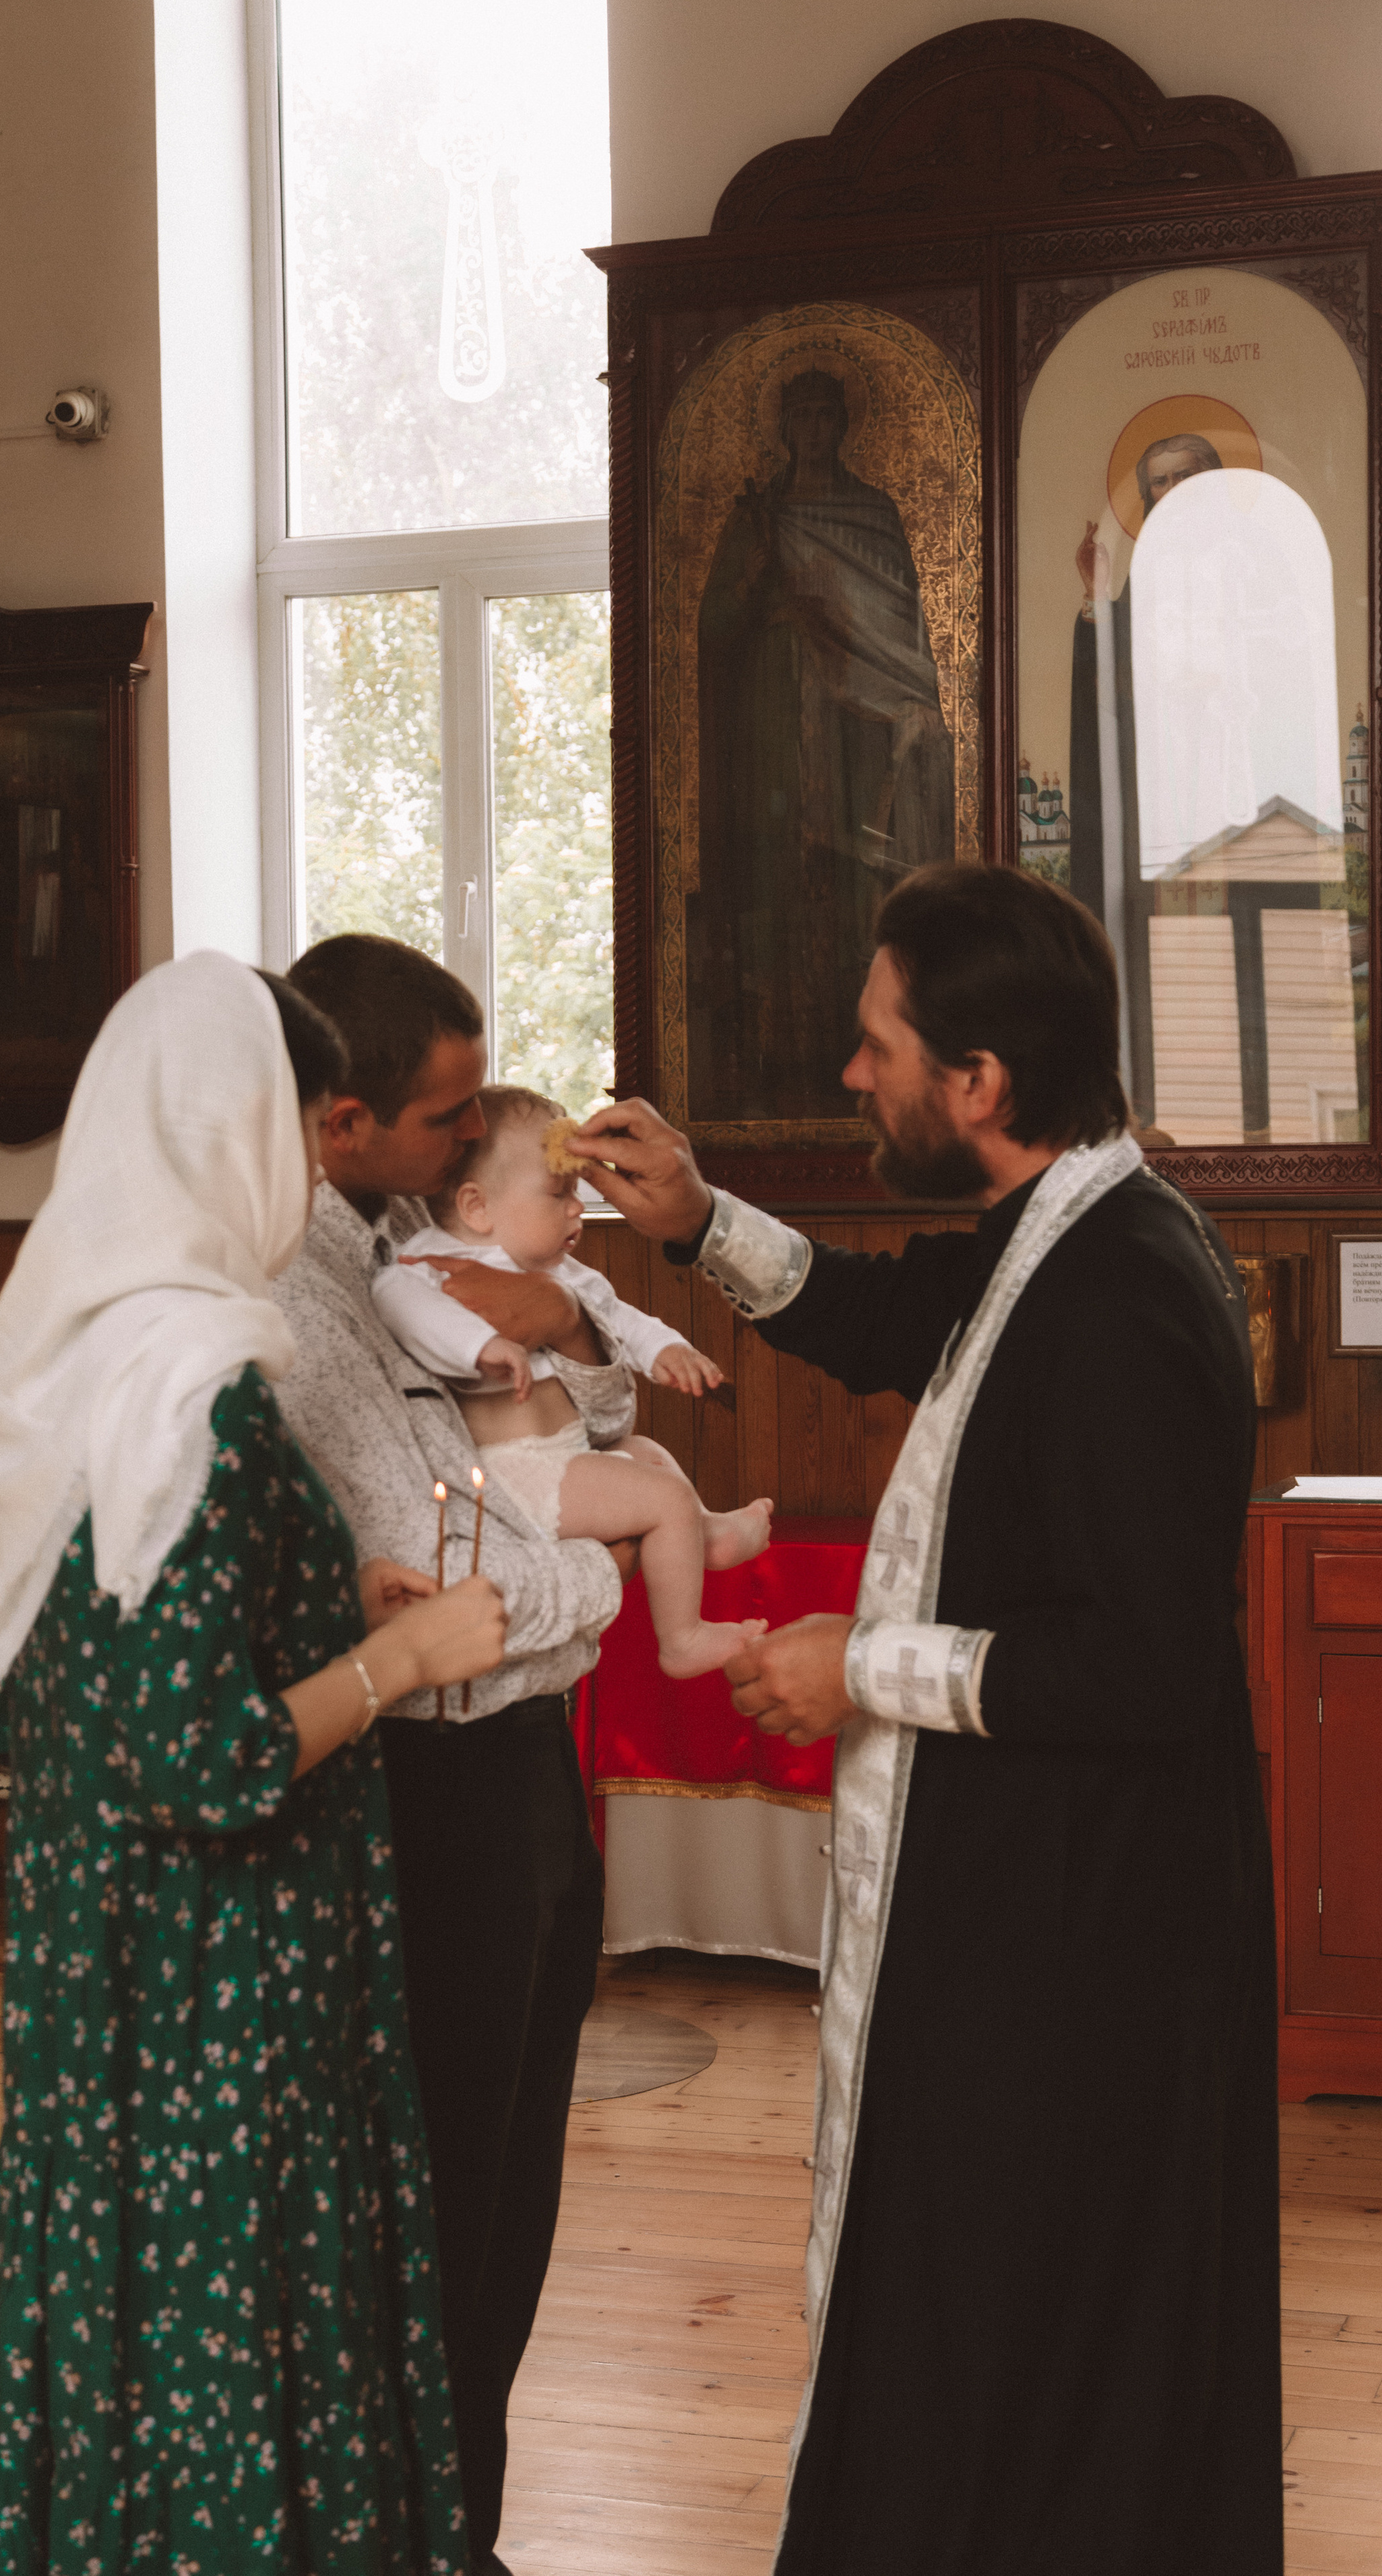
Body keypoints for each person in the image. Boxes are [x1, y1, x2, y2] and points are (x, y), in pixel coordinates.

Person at [572, 863, 1281, 2575]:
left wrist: (860, 1664)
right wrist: (693, 1219)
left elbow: (1140, 1667)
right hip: (1038, 1910)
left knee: (1023, 2339)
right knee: (979, 2318)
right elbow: (898, 1317)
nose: (850, 1073)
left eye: (878, 1045)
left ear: (977, 1083)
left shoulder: (1118, 1297)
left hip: (1081, 1940)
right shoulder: (1061, 1232)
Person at [0, 950, 505, 2575]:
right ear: (239, 1131)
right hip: (219, 1987)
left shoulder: (82, 1350)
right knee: (228, 2331)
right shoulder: (194, 1384)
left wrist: (317, 1593)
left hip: (102, 1970)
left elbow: (110, 1642)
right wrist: (394, 1658)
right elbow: (194, 1757)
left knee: (130, 2322)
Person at [270, 937, 630, 2576]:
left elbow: (592, 1432)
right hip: (426, 1789)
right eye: (443, 1116)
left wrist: (559, 1335)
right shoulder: (293, 1298)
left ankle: (459, 2515)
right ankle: (418, 2525)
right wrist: (603, 1575)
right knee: (441, 2187)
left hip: (527, 1766)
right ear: (339, 1118)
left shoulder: (415, 1244)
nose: (472, 1137)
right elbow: (441, 1567)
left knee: (515, 2171)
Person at [372, 1084, 774, 1679]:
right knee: (662, 1500)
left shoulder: (559, 1273)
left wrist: (668, 1350)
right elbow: (400, 1303)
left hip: (566, 1456)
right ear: (477, 1206)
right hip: (517, 1472)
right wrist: (478, 1347)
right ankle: (682, 1639)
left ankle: (706, 1532)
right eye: (558, 1195)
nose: (576, 1210)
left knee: (647, 1454)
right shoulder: (426, 1260)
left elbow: (620, 1318)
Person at [694, 363, 955, 1121]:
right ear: (783, 427)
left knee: (853, 882)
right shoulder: (758, 514)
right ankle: (781, 1057)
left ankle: (865, 1048)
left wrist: (906, 696)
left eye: (825, 415)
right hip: (774, 714)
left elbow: (902, 628)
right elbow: (713, 627)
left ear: (844, 425)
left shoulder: (873, 512)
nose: (813, 430)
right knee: (782, 878)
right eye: (799, 416)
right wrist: (757, 583)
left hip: (859, 723)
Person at [1071, 429, 1225, 1120]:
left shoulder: (1242, 565)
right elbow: (1112, 683)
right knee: (1151, 926)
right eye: (1158, 482)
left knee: (1219, 927)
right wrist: (1097, 596)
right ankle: (1154, 1094)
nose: (1170, 493)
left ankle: (1224, 1087)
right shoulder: (1149, 571)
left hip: (1223, 777)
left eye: (1185, 476)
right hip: (1158, 786)